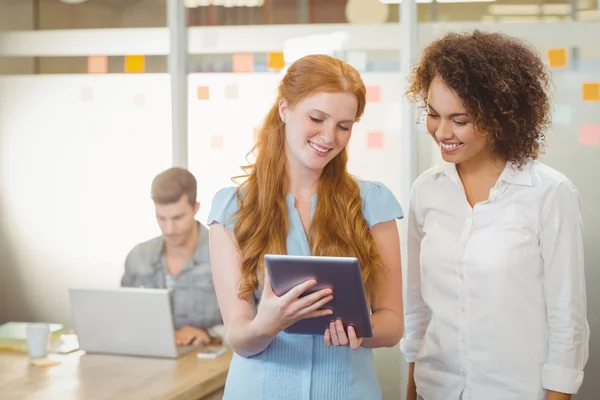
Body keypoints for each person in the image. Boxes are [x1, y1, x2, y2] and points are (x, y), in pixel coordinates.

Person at [401, 30, 589, 400]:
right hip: (436, 390)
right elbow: (417, 311)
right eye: (434, 114)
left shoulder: (549, 194)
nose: (442, 131)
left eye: (460, 119)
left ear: (500, 116)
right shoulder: (426, 191)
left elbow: (567, 323)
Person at [207, 54, 404, 399]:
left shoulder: (373, 203)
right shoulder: (232, 208)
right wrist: (265, 325)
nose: (329, 137)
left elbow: (392, 324)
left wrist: (358, 329)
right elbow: (239, 335)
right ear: (285, 109)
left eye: (344, 126)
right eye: (317, 118)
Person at [121, 167, 224, 346]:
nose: (169, 229)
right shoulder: (139, 256)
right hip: (151, 360)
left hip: (211, 362)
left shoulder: (225, 254)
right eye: (161, 218)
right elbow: (122, 316)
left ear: (196, 208)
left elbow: (253, 321)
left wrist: (210, 334)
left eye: (177, 218)